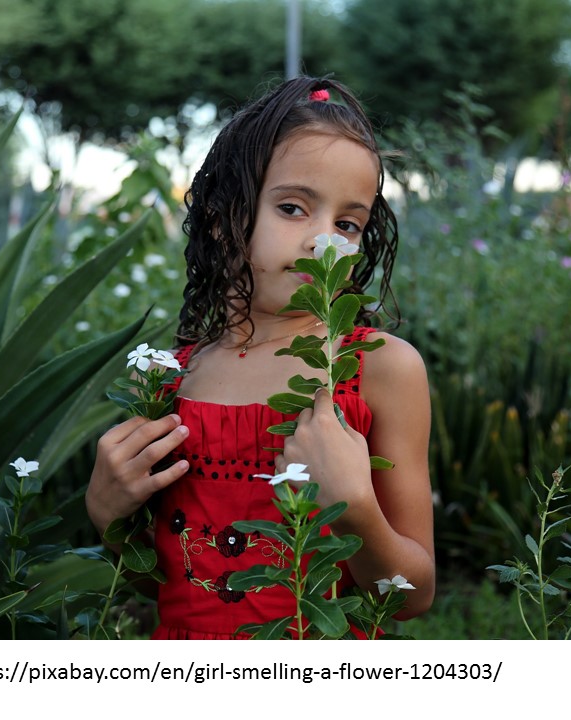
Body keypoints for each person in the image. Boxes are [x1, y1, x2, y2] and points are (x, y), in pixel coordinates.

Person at [86, 76, 434, 639]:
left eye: (348, 223)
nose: (325, 240)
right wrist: (109, 515)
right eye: (293, 208)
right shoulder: (168, 378)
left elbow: (414, 596)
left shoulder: (379, 368)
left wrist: (354, 508)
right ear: (224, 218)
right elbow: (170, 580)